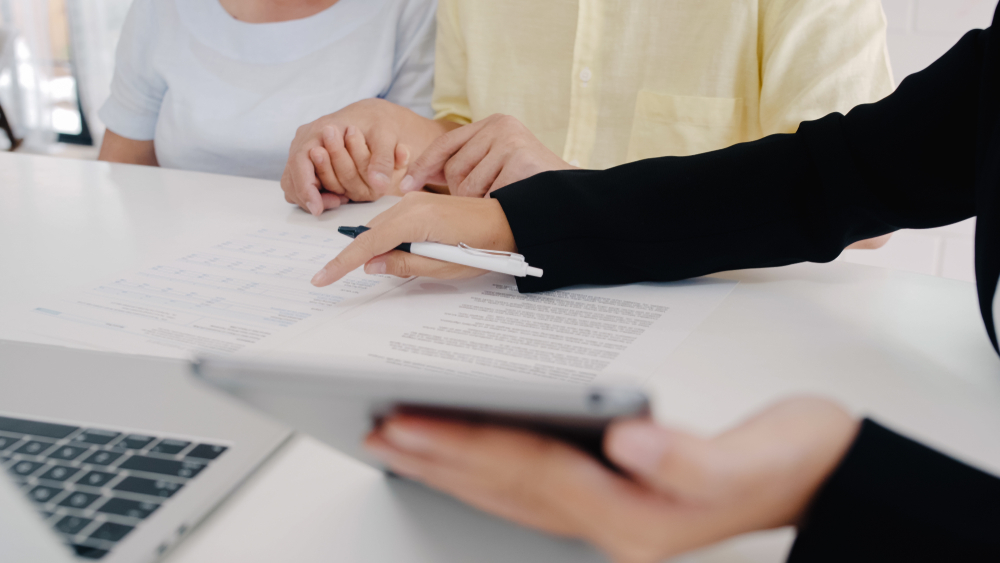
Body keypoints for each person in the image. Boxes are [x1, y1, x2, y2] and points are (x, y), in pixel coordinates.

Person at [307, 6, 1000, 561]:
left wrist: (838, 475)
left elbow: (848, 198)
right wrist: (511, 210)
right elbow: (843, 173)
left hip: (740, 371)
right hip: (518, 333)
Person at [282, 0, 895, 250]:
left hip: (718, 325)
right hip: (498, 303)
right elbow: (464, 133)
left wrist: (575, 191)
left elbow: (862, 214)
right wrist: (381, 134)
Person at [97, 0, 436, 208]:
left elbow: (414, 179)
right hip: (175, 260)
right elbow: (122, 170)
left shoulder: (416, 9)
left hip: (344, 261)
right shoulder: (162, 7)